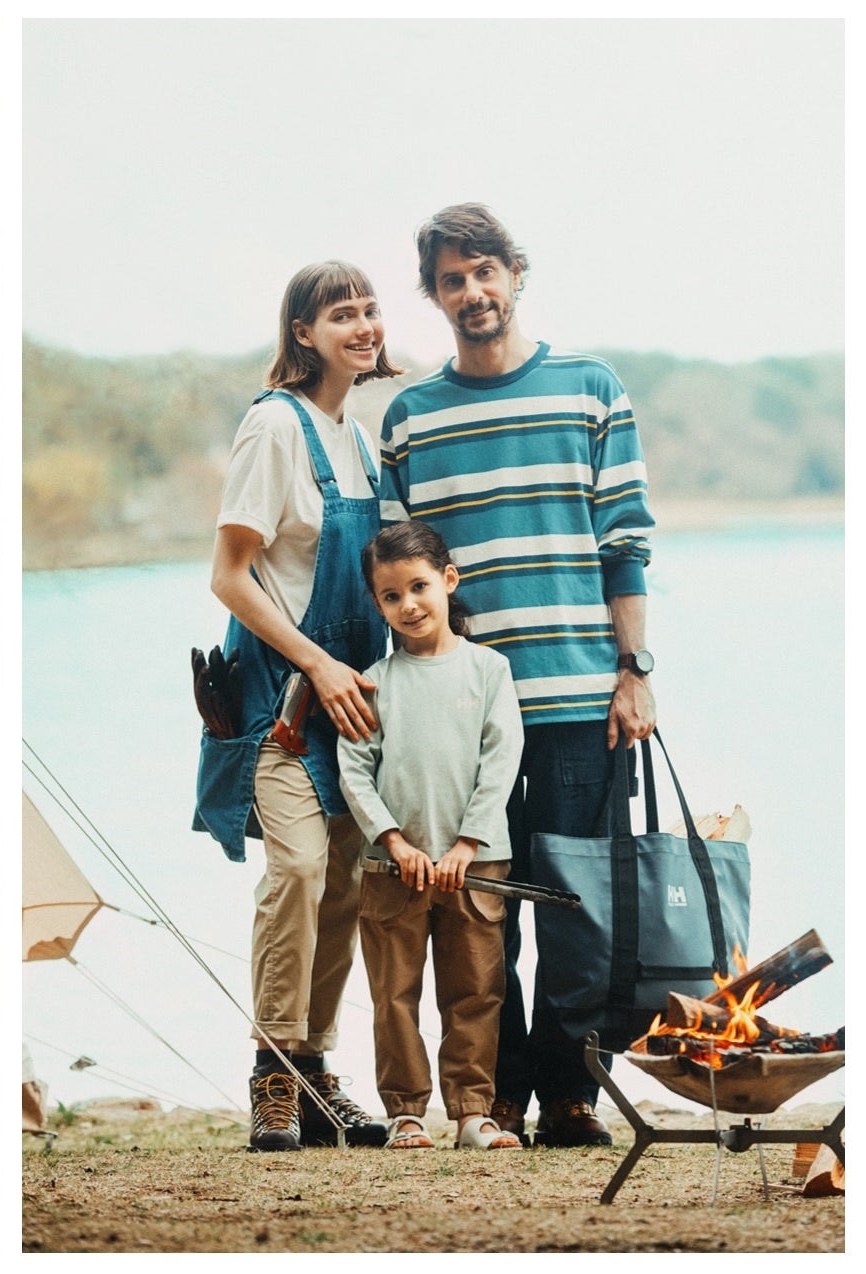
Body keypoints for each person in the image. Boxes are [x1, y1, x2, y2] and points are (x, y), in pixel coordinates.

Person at [379, 203, 657, 1148]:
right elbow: (394, 570)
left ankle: (570, 1094)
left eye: (485, 272)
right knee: (481, 917)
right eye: (452, 279)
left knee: (575, 911)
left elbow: (626, 543)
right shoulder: (411, 418)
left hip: (582, 698)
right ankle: (495, 1100)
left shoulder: (591, 388)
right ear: (434, 296)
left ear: (517, 274)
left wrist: (635, 670)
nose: (472, 293)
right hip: (457, 715)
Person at [193, 262, 401, 1152]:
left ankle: (316, 1080)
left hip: (354, 705)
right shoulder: (273, 428)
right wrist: (316, 666)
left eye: (369, 310)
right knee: (301, 872)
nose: (360, 326)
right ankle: (272, 1076)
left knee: (347, 887)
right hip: (281, 700)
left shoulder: (356, 436)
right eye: (339, 315)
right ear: (302, 333)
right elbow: (229, 577)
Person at [337, 522, 524, 1151]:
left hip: (476, 867)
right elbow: (356, 771)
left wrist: (466, 845)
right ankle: (406, 1112)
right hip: (394, 870)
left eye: (419, 587)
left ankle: (473, 1110)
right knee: (394, 993)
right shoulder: (373, 682)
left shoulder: (489, 670)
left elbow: (501, 761)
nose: (408, 605)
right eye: (391, 596)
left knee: (475, 989)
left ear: (448, 580)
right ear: (378, 604)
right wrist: (394, 842)